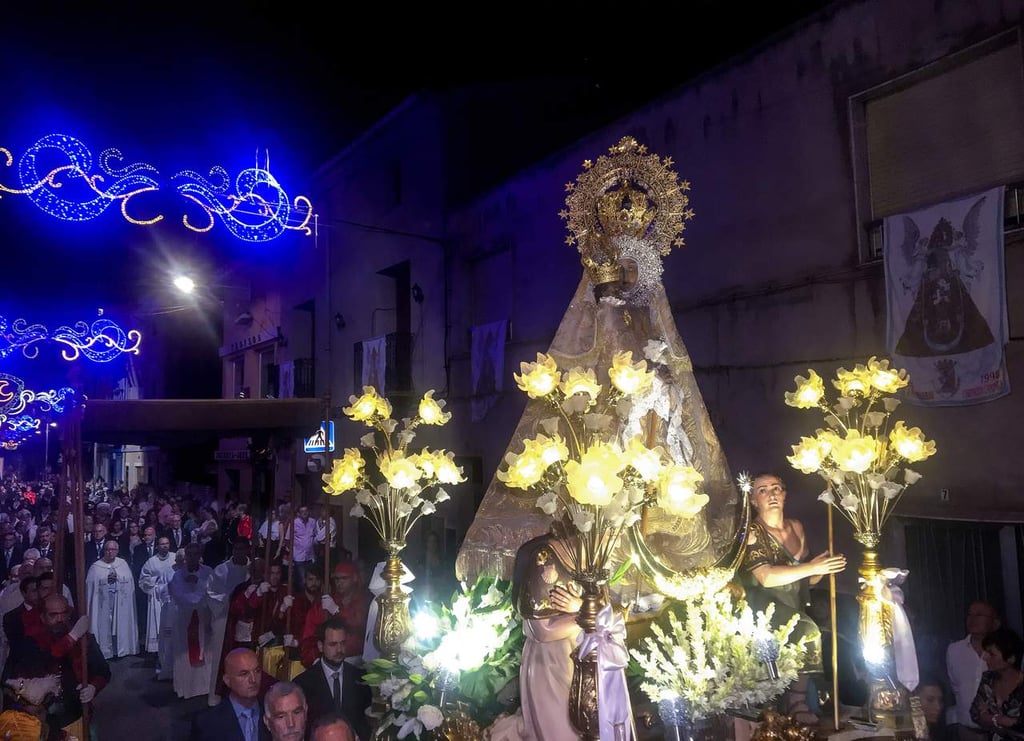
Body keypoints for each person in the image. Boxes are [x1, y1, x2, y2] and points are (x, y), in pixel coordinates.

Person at [736, 472, 846, 726]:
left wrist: (824, 569)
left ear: (785, 494)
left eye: (777, 488)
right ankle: (794, 700)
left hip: (793, 601)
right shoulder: (751, 532)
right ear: (753, 499)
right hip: (763, 604)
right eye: (763, 490)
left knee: (807, 627)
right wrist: (811, 569)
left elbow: (802, 580)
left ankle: (800, 697)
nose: (772, 494)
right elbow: (765, 576)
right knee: (808, 631)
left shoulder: (796, 527)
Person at [489, 529, 584, 741]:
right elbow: (542, 630)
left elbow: (608, 613)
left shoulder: (588, 559)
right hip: (549, 662)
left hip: (572, 658)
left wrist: (583, 610)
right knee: (556, 728)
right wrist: (584, 617)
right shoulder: (544, 556)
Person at [14, 594, 110, 741]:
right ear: (43, 617)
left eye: (63, 613)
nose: (59, 619)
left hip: (76, 711)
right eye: (53, 615)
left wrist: (93, 686)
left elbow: (103, 670)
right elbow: (44, 660)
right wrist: (72, 637)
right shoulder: (31, 640)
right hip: (41, 718)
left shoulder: (84, 640)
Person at [294, 617, 371, 739]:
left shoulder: (360, 678)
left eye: (342, 643)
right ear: (320, 646)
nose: (339, 650)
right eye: (333, 644)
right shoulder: (303, 683)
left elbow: (366, 722)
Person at [189, 647, 272, 741]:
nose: (253, 680)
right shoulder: (207, 722)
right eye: (244, 674)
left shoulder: (274, 713)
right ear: (227, 681)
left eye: (257, 671)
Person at [208, 538, 253, 705]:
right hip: (225, 618)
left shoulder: (253, 568)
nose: (239, 552)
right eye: (236, 548)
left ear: (247, 550)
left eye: (242, 548)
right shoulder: (220, 570)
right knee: (222, 655)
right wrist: (230, 599)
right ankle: (218, 695)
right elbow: (211, 593)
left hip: (246, 622)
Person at [949, 601, 1003, 741]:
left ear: (995, 623)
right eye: (970, 614)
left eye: (979, 615)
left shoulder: (1003, 653)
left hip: (1000, 733)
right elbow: (955, 687)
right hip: (966, 731)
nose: (972, 619)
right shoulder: (954, 650)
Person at [300, 562, 369, 666]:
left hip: (357, 660)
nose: (339, 583)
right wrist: (313, 659)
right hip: (328, 661)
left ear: (354, 578)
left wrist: (337, 611)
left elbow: (360, 623)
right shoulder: (326, 603)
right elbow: (309, 637)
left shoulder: (364, 600)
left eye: (344, 578)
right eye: (337, 579)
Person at [169, 543, 214, 699]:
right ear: (186, 557)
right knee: (184, 654)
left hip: (204, 618)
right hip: (185, 620)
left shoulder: (208, 572)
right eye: (190, 555)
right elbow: (178, 595)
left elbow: (212, 592)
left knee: (205, 651)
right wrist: (196, 601)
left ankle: (204, 687)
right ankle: (185, 688)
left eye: (196, 554)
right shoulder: (177, 575)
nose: (192, 557)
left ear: (200, 555)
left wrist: (198, 584)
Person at [84, 539, 138, 659]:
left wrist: (118, 578)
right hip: (102, 602)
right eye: (107, 549)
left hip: (120, 601)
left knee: (120, 623)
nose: (110, 552)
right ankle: (104, 650)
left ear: (117, 551)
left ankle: (121, 649)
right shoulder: (96, 566)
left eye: (113, 549)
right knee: (104, 625)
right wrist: (105, 579)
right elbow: (90, 584)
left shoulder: (122, 564)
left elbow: (129, 581)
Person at [969, 627, 1024, 741]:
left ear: (1011, 659)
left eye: (991, 654)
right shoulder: (988, 679)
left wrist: (994, 719)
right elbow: (975, 714)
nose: (985, 658)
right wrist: (1005, 721)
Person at [138, 535, 176, 659]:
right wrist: (156, 579)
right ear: (157, 546)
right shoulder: (151, 562)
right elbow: (143, 579)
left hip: (173, 596)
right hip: (157, 598)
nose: (165, 546)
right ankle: (157, 650)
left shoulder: (175, 558)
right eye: (162, 544)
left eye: (167, 543)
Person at [914, 676, 950, 741]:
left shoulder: (943, 732)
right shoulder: (904, 733)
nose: (938, 707)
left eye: (940, 700)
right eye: (930, 700)